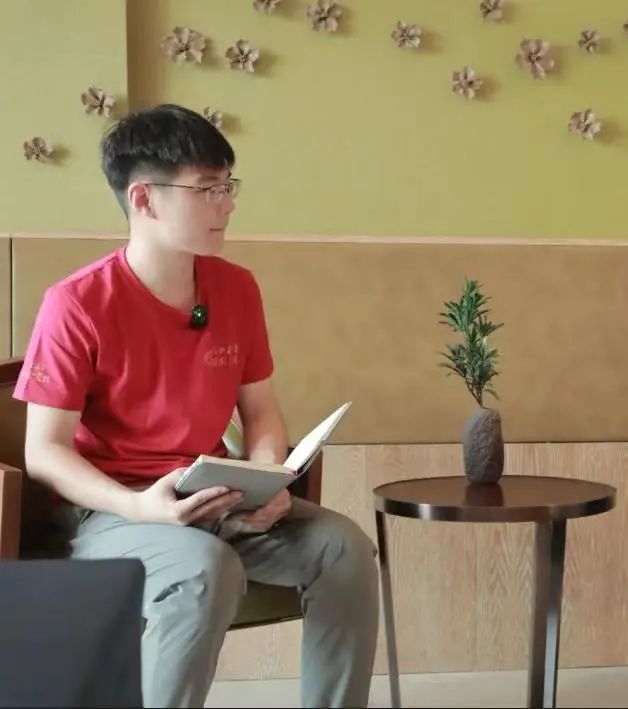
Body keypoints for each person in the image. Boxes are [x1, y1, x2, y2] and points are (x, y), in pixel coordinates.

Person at [14, 103, 379, 708]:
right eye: (208, 188)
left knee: (345, 549)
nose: (227, 204)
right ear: (144, 199)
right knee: (205, 567)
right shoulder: (75, 304)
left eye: (229, 186)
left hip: (215, 497)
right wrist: (139, 505)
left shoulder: (237, 288)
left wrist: (267, 478)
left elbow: (261, 413)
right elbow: (44, 454)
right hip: (110, 512)